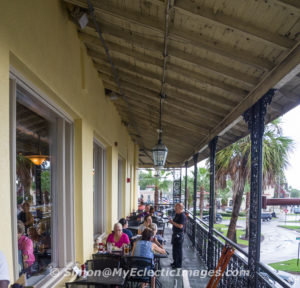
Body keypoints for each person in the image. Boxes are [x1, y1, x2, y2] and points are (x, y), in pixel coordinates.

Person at [169, 203, 185, 268]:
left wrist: (172, 222)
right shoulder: (177, 214)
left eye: (176, 208)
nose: (175, 209)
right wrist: (172, 221)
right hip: (175, 233)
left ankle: (178, 264)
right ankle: (175, 262)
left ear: (180, 208)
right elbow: (175, 222)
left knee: (178, 250)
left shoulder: (182, 216)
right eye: (175, 208)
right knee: (174, 249)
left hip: (179, 234)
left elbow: (180, 226)